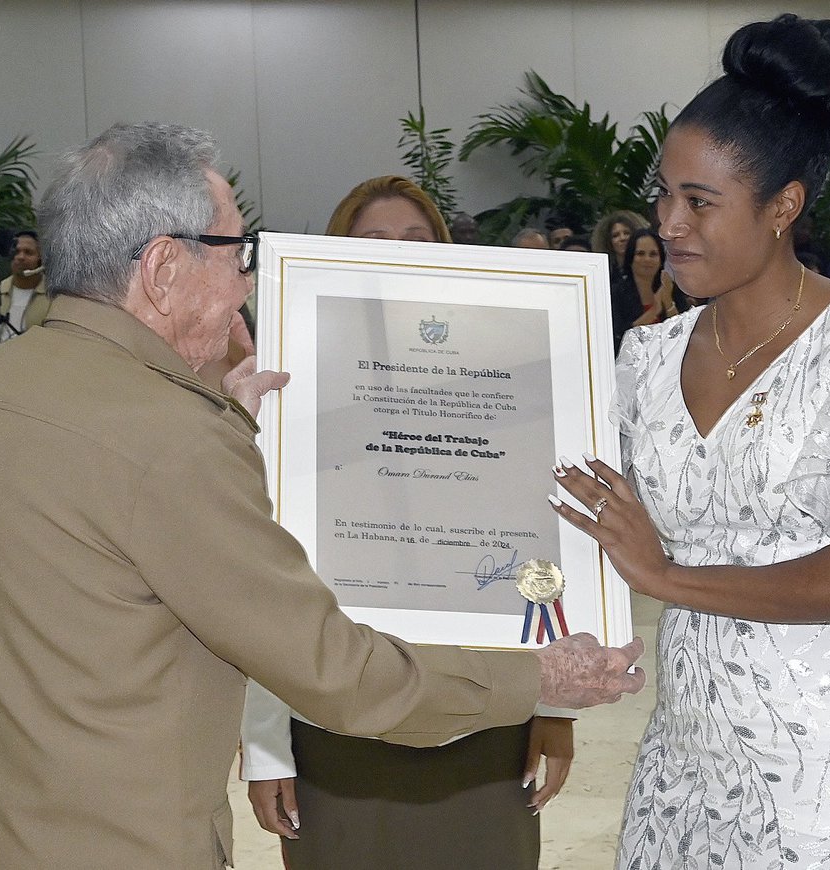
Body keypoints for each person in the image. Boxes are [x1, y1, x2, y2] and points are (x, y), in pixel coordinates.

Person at [0, 125, 645, 869]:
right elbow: (341, 677)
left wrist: (226, 428)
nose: (246, 284)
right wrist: (543, 676)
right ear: (165, 267)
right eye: (237, 255)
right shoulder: (168, 438)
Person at [546, 15, 830, 868]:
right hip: (684, 755)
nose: (669, 224)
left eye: (700, 202)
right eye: (664, 194)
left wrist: (666, 575)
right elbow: (587, 525)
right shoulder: (647, 356)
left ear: (783, 204)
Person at [242, 174, 580, 870]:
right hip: (337, 717)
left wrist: (555, 703)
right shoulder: (288, 390)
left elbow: (539, 542)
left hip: (484, 714)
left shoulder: (506, 373)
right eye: (373, 242)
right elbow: (263, 582)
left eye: (416, 240)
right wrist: (266, 745)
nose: (397, 255)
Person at [0, 229, 50, 338]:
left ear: (40, 257)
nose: (21, 257)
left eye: (28, 252)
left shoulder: (53, 295)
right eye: (16, 252)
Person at [592, 209, 650, 283]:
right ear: (608, 242)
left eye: (626, 233)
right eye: (615, 235)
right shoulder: (604, 274)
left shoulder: (650, 267)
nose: (622, 238)